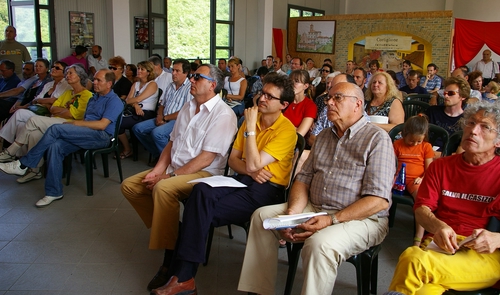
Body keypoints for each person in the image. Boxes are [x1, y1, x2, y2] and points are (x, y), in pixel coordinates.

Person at [238, 81, 395, 295]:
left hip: (363, 218)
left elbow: (378, 200)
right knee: (262, 218)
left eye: (337, 98)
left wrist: (332, 219)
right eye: (329, 98)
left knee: (319, 244)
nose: (329, 102)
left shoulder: (377, 139)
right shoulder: (323, 138)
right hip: (315, 207)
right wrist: (291, 214)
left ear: (357, 104)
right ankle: (258, 290)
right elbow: (303, 179)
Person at [150, 73, 297, 295]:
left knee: (196, 209)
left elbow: (252, 162)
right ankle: (182, 278)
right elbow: (234, 161)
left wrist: (249, 130)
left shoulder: (286, 130)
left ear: (284, 105)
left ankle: (180, 274)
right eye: (262, 93)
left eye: (270, 96)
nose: (262, 99)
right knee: (200, 191)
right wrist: (251, 167)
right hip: (241, 181)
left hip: (266, 192)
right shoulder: (253, 119)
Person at [120, 64, 237, 291]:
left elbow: (206, 159)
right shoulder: (188, 105)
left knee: (163, 189)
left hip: (204, 174)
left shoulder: (223, 114)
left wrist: (168, 177)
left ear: (212, 85)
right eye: (191, 76)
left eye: (196, 77)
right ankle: (176, 232)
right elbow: (171, 144)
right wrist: (157, 171)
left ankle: (169, 259)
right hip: (176, 166)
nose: (191, 80)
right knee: (131, 186)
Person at [385, 101, 500, 295]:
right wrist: (439, 226)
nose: (473, 131)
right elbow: (421, 210)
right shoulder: (441, 167)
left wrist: (497, 239)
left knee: (413, 258)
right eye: (471, 123)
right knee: (422, 290)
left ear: (498, 140)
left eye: (485, 127)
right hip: (438, 247)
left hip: (484, 255)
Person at [0, 69, 123, 207]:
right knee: (55, 146)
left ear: (109, 84)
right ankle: (54, 192)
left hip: (102, 137)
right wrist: (76, 125)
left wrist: (76, 123)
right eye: (94, 79)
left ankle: (23, 164)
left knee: (55, 129)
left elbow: (102, 125)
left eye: (98, 80)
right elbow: (86, 118)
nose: (94, 82)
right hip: (86, 132)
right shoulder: (94, 98)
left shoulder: (114, 101)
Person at [0, 64, 92, 182]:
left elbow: (72, 115)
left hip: (68, 125)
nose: (67, 76)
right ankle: (35, 171)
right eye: (67, 73)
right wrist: (62, 109)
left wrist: (61, 110)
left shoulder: (86, 95)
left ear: (79, 76)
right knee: (34, 134)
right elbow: (53, 108)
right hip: (55, 119)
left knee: (33, 120)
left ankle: (11, 152)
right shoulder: (68, 93)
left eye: (70, 73)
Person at [0, 61, 71, 160]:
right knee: (20, 123)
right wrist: (41, 101)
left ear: (64, 72)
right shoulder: (48, 84)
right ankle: (19, 156)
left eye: (57, 68)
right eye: (53, 67)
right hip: (38, 109)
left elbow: (54, 101)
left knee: (19, 113)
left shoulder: (66, 85)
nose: (54, 69)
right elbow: (36, 99)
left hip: (48, 113)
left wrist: (41, 101)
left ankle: (8, 149)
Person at [132, 59, 192, 160]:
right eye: (173, 70)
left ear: (185, 73)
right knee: (137, 128)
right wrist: (160, 115)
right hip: (164, 116)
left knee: (157, 133)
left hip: (177, 120)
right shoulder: (170, 85)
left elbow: (185, 111)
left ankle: (170, 160)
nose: (173, 73)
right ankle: (159, 155)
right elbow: (162, 104)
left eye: (177, 71)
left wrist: (165, 118)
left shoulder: (190, 88)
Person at [393, 115, 434, 247]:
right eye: (411, 141)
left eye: (419, 141)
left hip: (416, 180)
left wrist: (422, 178)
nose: (415, 144)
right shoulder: (397, 144)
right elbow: (391, 163)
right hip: (398, 178)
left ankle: (418, 238)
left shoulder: (426, 147)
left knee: (421, 202)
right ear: (404, 134)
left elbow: (429, 169)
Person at [117, 61, 158, 159]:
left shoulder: (152, 84)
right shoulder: (135, 84)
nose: (138, 71)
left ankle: (127, 150)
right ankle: (127, 148)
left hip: (146, 113)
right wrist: (135, 105)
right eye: (138, 68)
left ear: (148, 72)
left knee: (118, 122)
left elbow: (138, 98)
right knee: (116, 120)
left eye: (142, 69)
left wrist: (134, 102)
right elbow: (128, 100)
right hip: (134, 110)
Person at [426, 76, 470, 151]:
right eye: (445, 93)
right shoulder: (432, 111)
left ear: (463, 96)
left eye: (451, 93)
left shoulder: (467, 120)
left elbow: (462, 151)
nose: (446, 96)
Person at [283, 70, 317, 137]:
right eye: (290, 81)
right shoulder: (284, 101)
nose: (292, 84)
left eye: (296, 81)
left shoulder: (310, 106)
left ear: (305, 86)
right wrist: (294, 128)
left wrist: (282, 127)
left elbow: (300, 134)